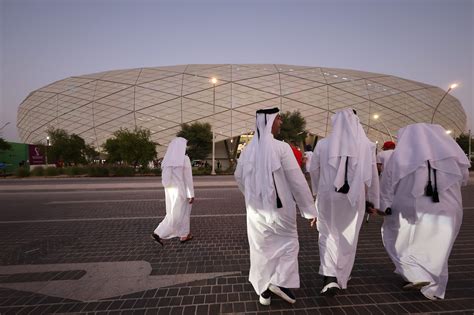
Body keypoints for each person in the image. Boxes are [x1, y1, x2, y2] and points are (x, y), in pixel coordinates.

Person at [234, 107, 317, 306]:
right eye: (279, 119)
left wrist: (253, 198)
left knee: (261, 249)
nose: (281, 123)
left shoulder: (247, 150)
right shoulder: (281, 148)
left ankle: (264, 292)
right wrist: (309, 210)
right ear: (271, 121)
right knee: (288, 244)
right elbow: (297, 182)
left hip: (255, 211)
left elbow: (238, 177)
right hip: (281, 210)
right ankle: (279, 282)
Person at [379, 123, 470, 300]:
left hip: (411, 207)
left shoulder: (400, 157)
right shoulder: (452, 156)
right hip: (449, 208)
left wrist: (384, 205)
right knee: (439, 246)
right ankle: (434, 288)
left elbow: (388, 185)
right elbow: (464, 179)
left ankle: (415, 274)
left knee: (398, 237)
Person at [309, 108, 380, 296]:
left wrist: (316, 193)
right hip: (354, 199)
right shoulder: (366, 146)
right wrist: (372, 201)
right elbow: (372, 175)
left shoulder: (323, 144)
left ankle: (330, 277)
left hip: (327, 197)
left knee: (327, 234)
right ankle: (340, 275)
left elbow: (313, 170)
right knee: (348, 237)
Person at [151, 137, 195, 246]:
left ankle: (184, 234)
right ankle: (159, 233)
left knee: (175, 212)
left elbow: (165, 180)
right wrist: (191, 194)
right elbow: (188, 179)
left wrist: (169, 187)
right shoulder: (184, 159)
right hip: (181, 190)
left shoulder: (167, 159)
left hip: (170, 190)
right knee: (177, 215)